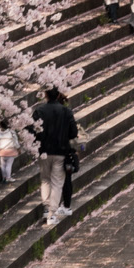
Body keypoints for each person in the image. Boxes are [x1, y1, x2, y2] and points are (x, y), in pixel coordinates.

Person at [31, 86, 77, 224]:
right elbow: (73, 133)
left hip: (44, 150)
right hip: (61, 151)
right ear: (58, 96)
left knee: (45, 180)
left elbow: (31, 130)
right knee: (57, 183)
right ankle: (52, 214)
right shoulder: (66, 111)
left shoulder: (39, 111)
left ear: (45, 95)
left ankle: (46, 208)